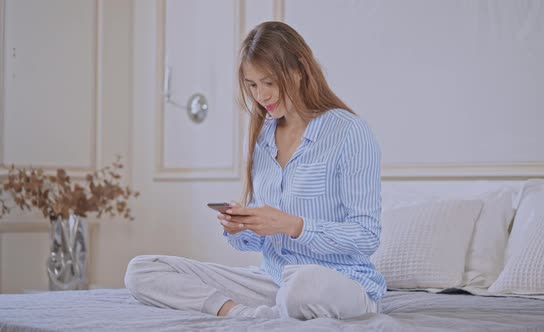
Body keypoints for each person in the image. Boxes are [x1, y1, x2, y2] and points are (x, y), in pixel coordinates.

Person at [125, 21, 385, 320]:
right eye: (252, 85)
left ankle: (282, 309)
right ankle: (240, 313)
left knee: (301, 288)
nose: (261, 95)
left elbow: (366, 236)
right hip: (274, 281)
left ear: (299, 70)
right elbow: (267, 238)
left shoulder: (349, 132)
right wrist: (242, 225)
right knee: (142, 270)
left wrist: (292, 224)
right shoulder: (263, 137)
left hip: (339, 281)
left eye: (269, 82)